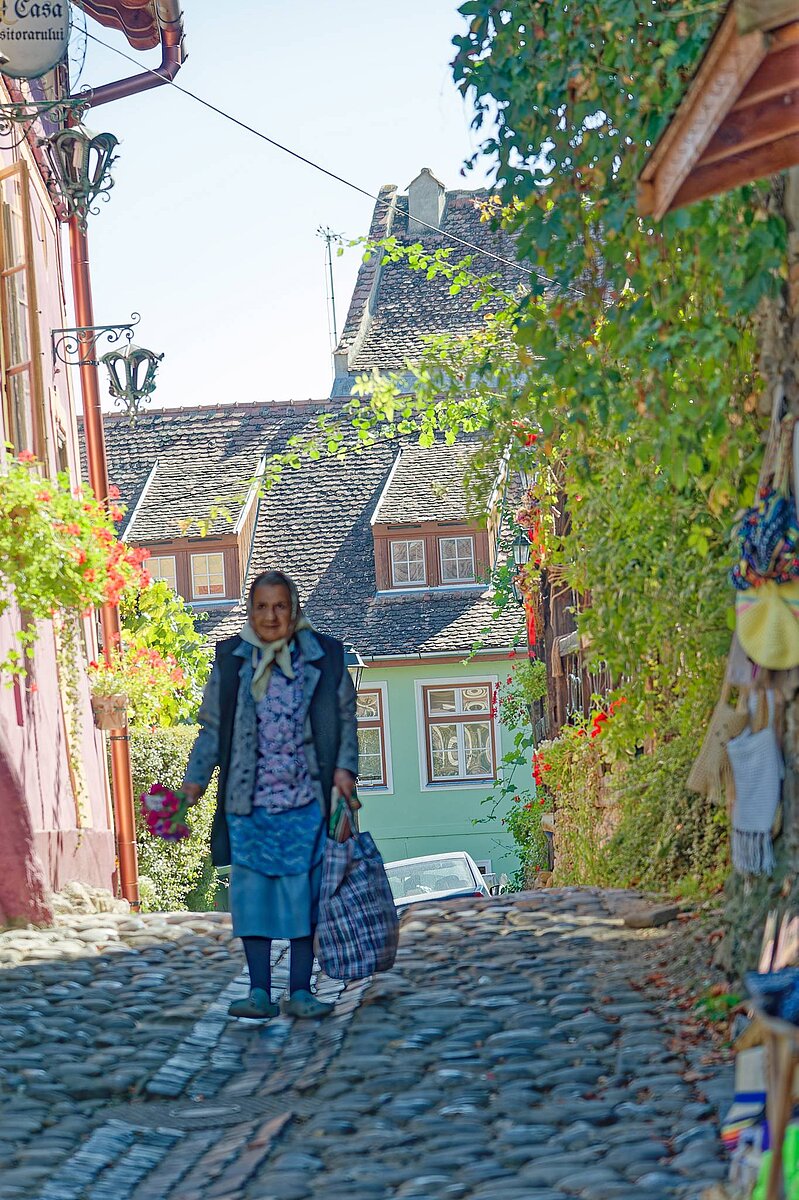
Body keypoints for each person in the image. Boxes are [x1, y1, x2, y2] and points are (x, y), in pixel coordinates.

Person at [182, 569, 359, 1020]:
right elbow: (211, 729)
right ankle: (259, 992)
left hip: (306, 802)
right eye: (261, 606)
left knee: (305, 897)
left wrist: (345, 770)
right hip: (249, 804)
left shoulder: (324, 656)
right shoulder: (231, 660)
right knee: (254, 898)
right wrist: (194, 781)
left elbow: (345, 718)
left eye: (280, 606)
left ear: (294, 609)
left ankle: (299, 990)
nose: (271, 616)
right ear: (250, 611)